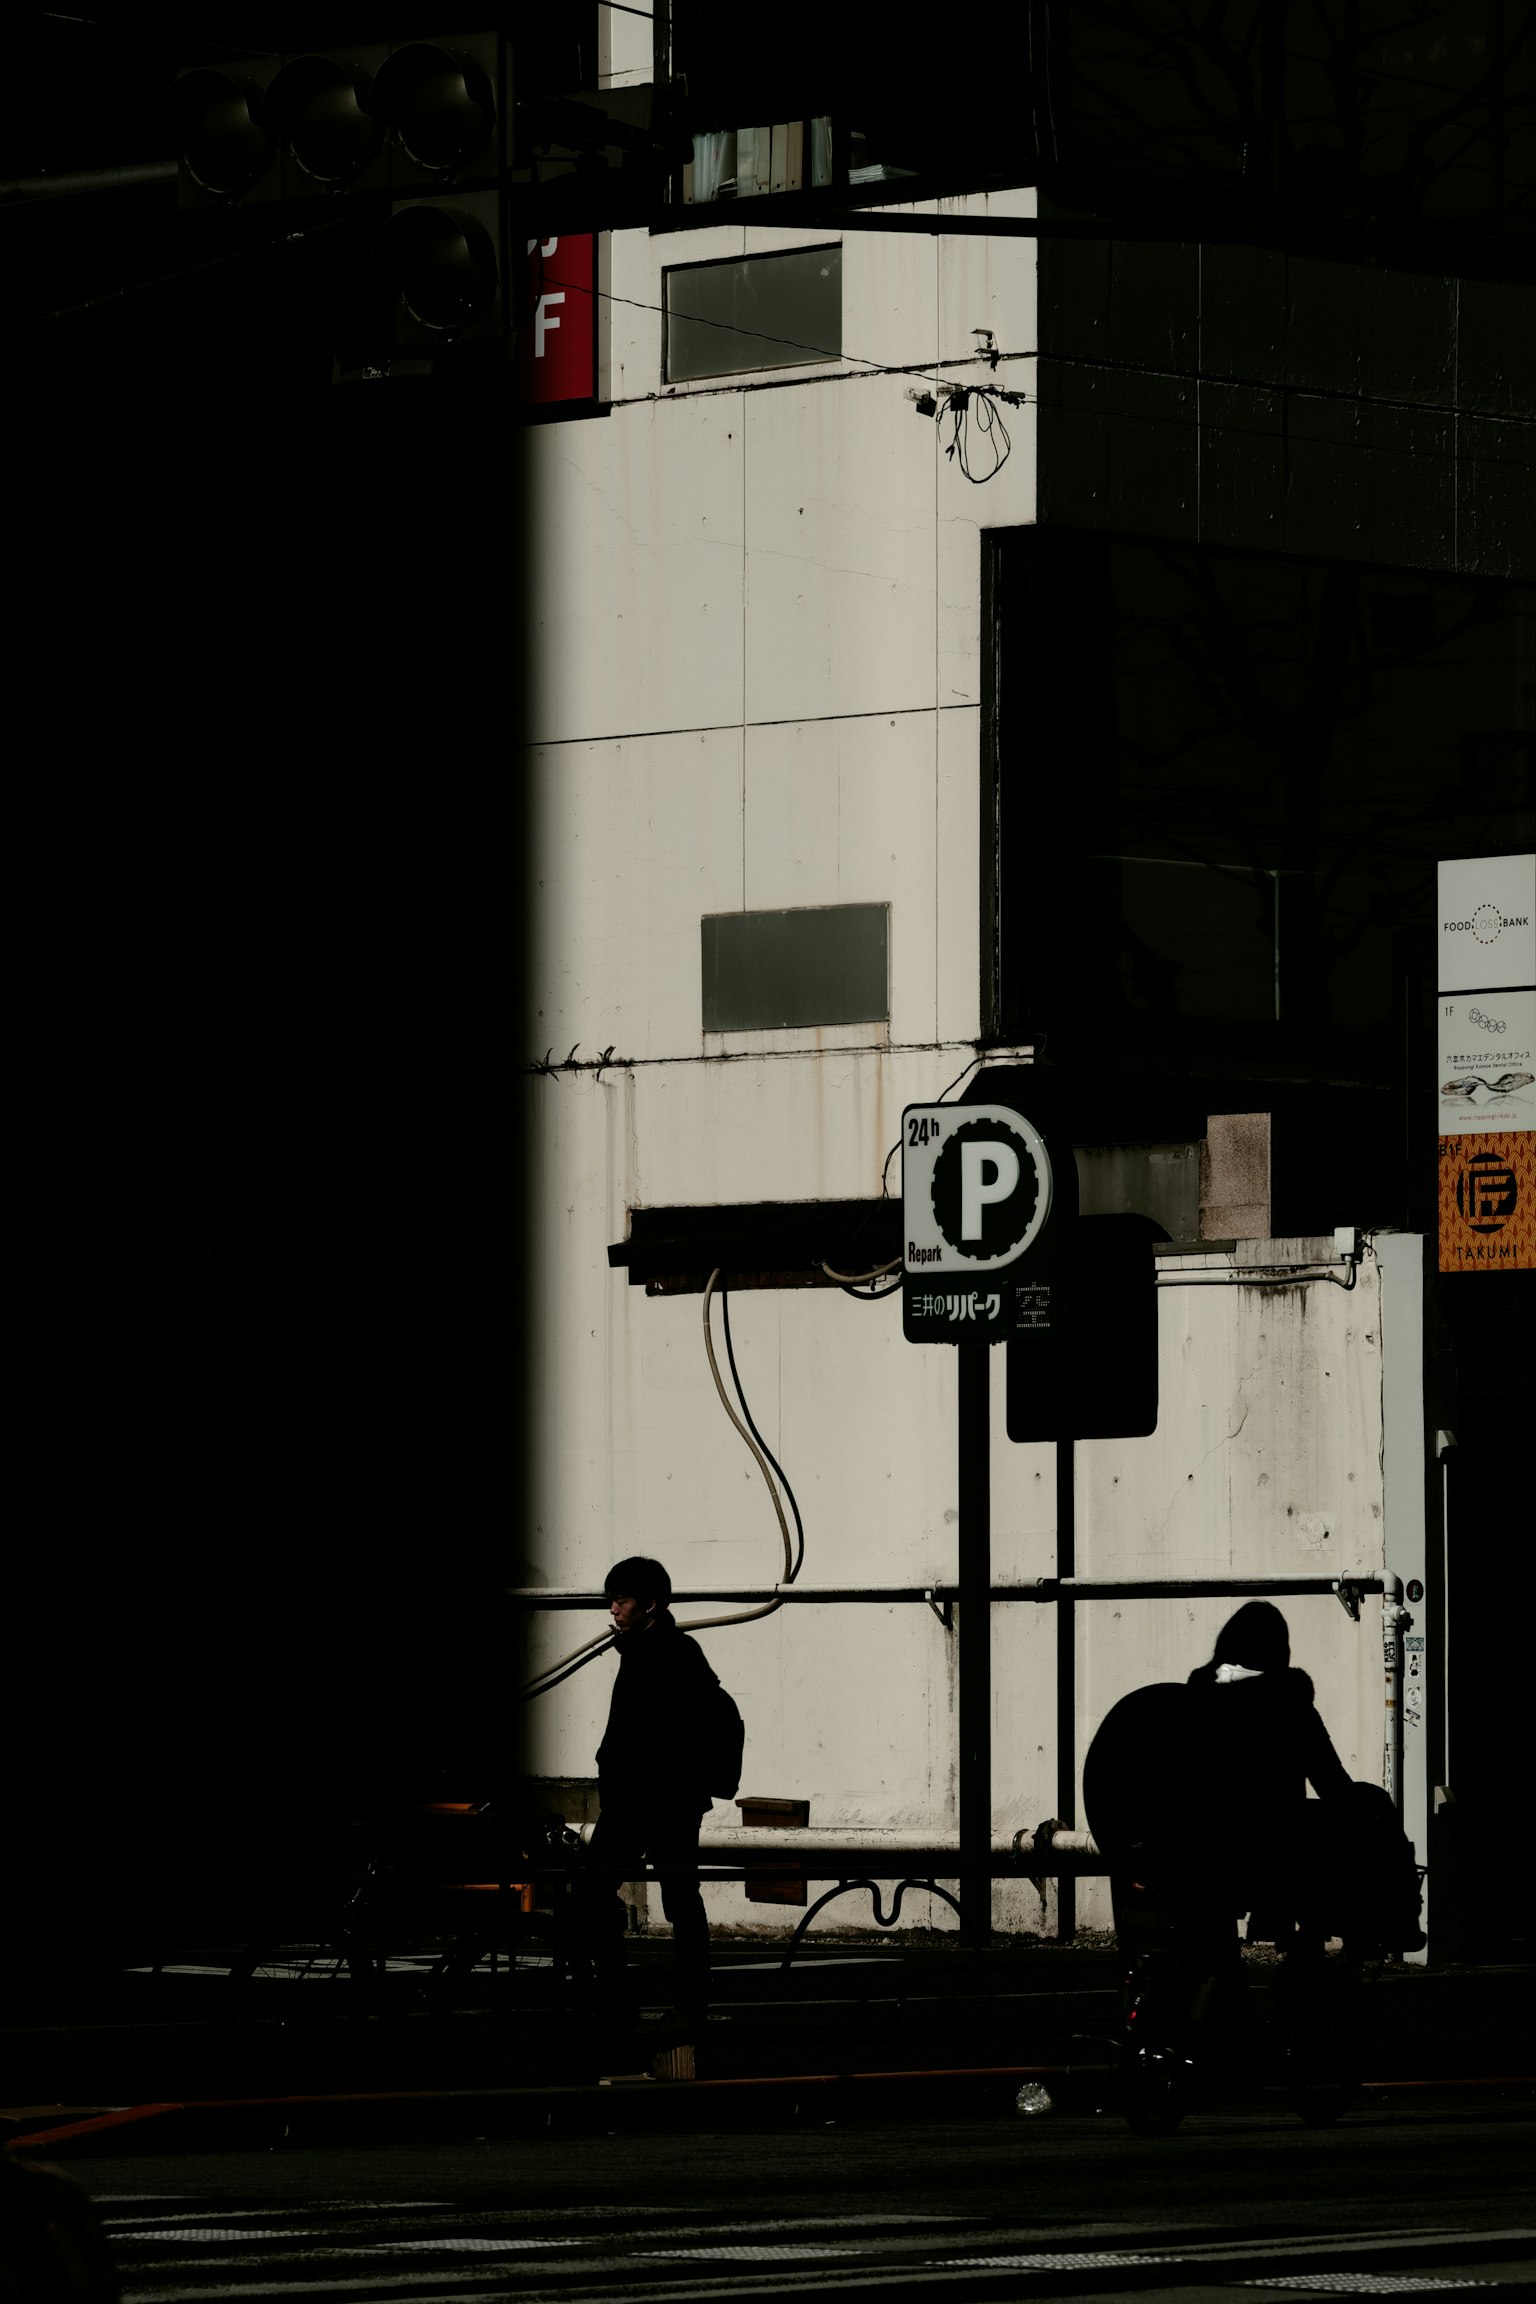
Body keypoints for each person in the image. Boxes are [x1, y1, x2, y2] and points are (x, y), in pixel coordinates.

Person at [576, 1556, 724, 2036]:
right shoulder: (646, 1649)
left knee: (663, 1898)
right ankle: (648, 2003)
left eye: (621, 1600)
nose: (613, 1609)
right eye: (611, 1600)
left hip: (658, 1803)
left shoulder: (671, 1654)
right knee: (670, 1899)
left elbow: (677, 1735)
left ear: (650, 1604)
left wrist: (635, 1779)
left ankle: (653, 2004)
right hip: (646, 1802)